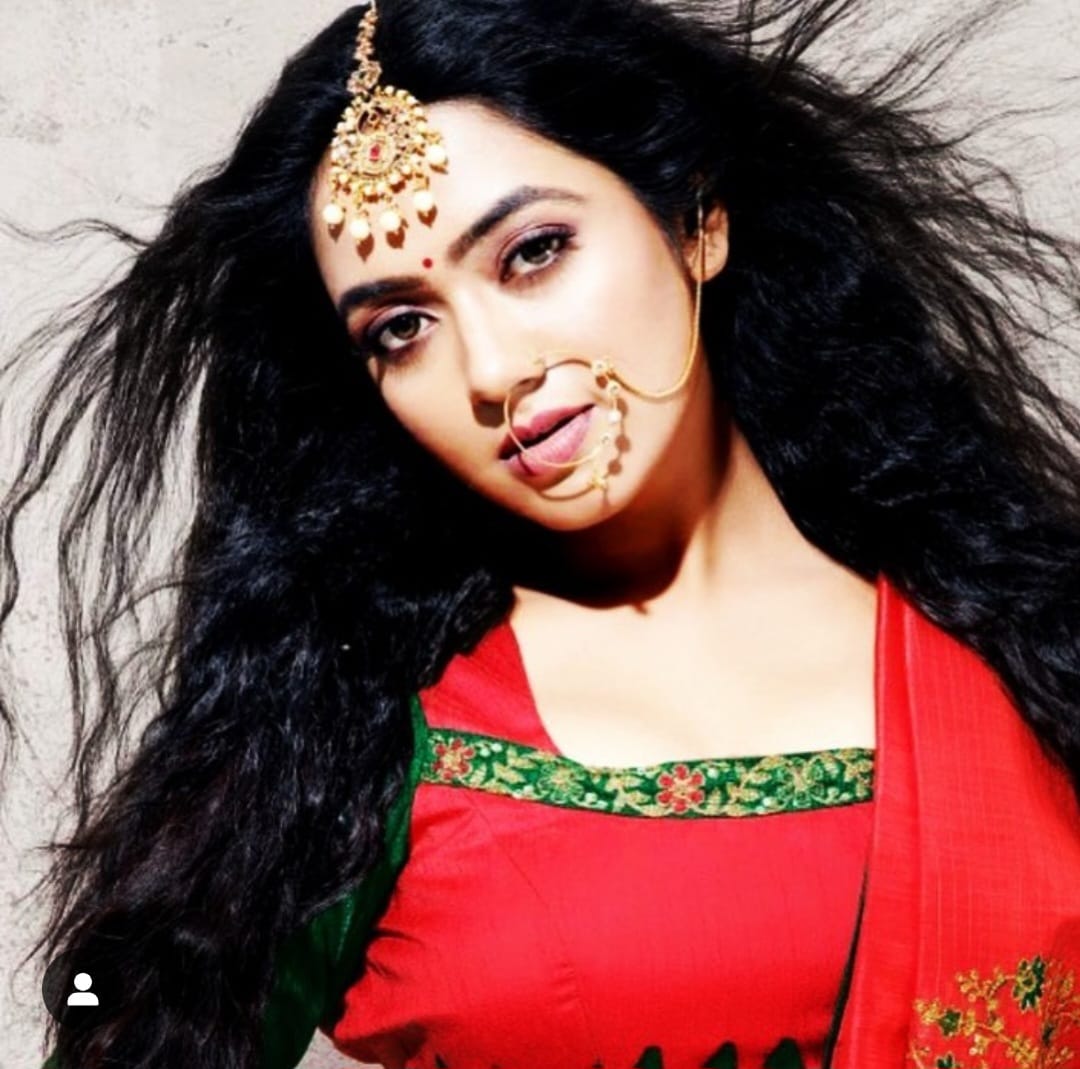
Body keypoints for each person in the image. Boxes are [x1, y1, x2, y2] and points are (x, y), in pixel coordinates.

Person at [3, 0, 1080, 1067]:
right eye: (402, 329)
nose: (489, 369)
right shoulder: (357, 737)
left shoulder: (1027, 657)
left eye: (533, 252)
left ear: (696, 221)